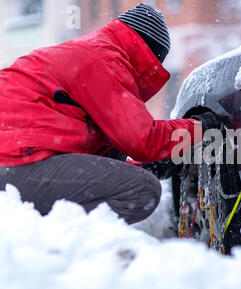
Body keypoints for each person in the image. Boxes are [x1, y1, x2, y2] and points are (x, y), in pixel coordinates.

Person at [0, 3, 220, 224]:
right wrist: (201, 126)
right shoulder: (104, 60)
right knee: (141, 191)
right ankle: (61, 249)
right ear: (149, 57)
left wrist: (146, 167)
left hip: (15, 159)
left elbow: (82, 154)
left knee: (117, 147)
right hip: (14, 162)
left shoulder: (91, 52)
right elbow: (143, 140)